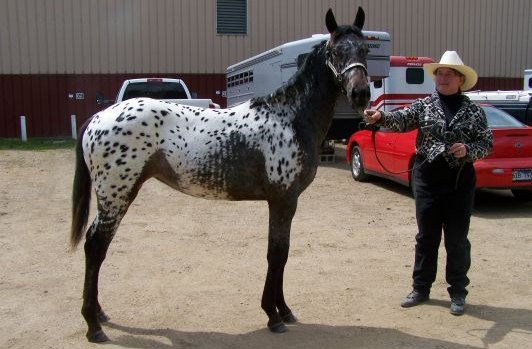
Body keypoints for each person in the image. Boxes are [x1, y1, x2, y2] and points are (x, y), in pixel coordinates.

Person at [364, 51, 493, 315]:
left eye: (448, 74)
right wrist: (380, 118)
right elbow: (401, 119)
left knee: (457, 240)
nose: (442, 78)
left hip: (459, 181)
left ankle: (458, 292)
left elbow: (486, 143)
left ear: (459, 79)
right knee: (426, 237)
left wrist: (468, 150)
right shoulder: (423, 105)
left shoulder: (474, 111)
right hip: (428, 179)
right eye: (439, 74)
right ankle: (420, 288)